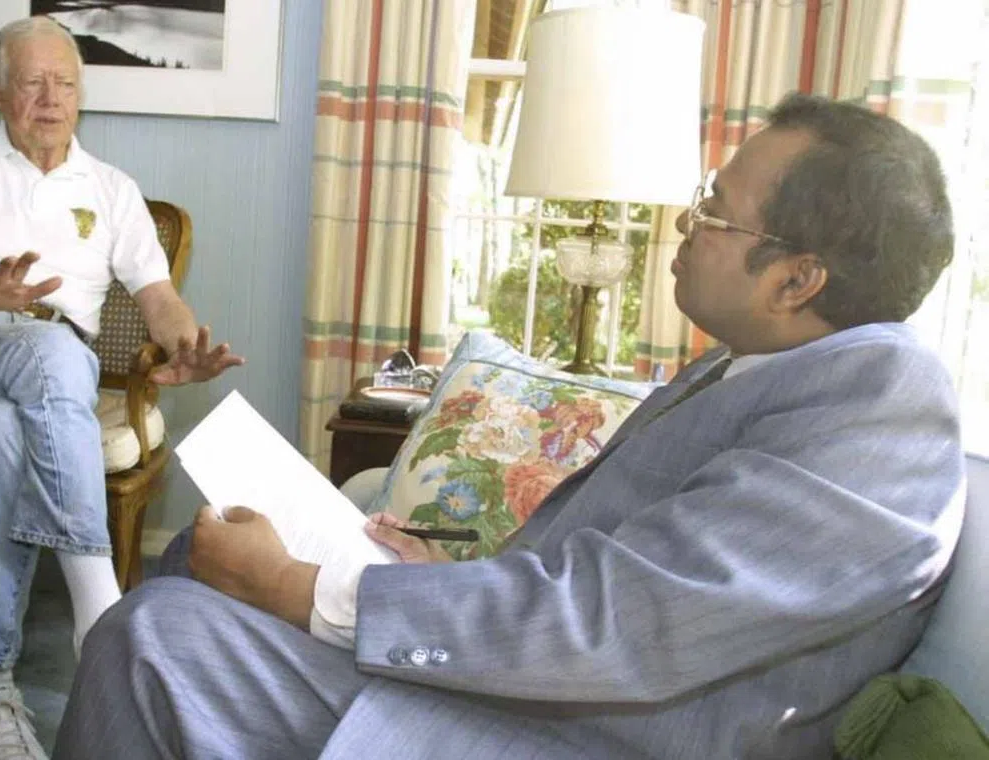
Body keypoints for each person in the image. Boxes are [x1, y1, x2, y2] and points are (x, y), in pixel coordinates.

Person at [54, 93, 966, 759]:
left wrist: (304, 589)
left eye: (715, 212)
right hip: (546, 692)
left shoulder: (883, 402)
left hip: (580, 734)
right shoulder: (753, 365)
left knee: (157, 637)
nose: (687, 225)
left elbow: (627, 623)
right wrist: (446, 576)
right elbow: (634, 576)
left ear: (798, 278)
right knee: (197, 556)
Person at [0, 16, 244, 760]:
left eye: (65, 83)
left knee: (0, 432)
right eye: (31, 82)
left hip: (47, 375)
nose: (50, 98)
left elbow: (158, 298)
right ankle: (99, 607)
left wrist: (186, 344)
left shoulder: (111, 189)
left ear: (81, 95)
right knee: (51, 354)